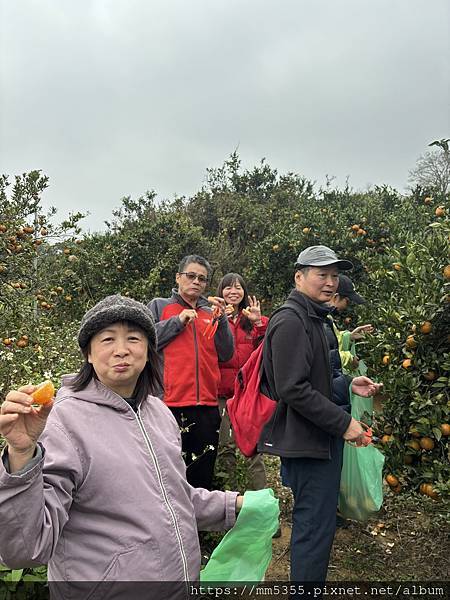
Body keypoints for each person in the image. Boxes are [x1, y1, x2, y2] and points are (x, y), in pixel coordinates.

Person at [0, 295, 242, 599]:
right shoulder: (64, 420)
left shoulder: (158, 412)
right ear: (88, 353)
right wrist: (21, 456)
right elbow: (27, 547)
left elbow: (172, 499)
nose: (122, 350)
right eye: (107, 339)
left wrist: (233, 506)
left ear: (148, 350)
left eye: (133, 338)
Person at [257, 245, 382, 584]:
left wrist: (348, 384)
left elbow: (317, 379)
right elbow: (292, 389)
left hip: (319, 439)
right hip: (307, 443)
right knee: (313, 531)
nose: (330, 283)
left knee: (320, 527)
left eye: (334, 276)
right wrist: (344, 424)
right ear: (299, 277)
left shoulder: (316, 317)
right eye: (321, 275)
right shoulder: (291, 320)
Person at [148, 255, 234, 490]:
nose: (196, 282)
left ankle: (199, 526)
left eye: (202, 279)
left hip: (207, 405)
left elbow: (226, 353)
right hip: (168, 405)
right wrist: (177, 321)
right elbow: (145, 343)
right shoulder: (160, 306)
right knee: (167, 475)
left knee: (201, 475)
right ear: (178, 277)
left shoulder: (210, 313)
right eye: (191, 276)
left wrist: (222, 319)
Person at [215, 272, 269, 491]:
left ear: (245, 293)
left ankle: (262, 499)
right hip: (220, 392)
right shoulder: (214, 317)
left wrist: (259, 323)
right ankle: (232, 500)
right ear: (221, 292)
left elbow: (267, 349)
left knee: (253, 446)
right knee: (224, 448)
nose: (233, 291)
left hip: (246, 393)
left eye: (238, 287)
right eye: (228, 287)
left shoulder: (254, 319)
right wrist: (218, 319)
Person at [329, 274, 374, 373]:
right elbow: (322, 355)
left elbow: (332, 341)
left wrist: (349, 337)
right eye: (347, 301)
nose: (346, 306)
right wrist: (349, 359)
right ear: (336, 297)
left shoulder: (327, 318)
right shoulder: (321, 320)